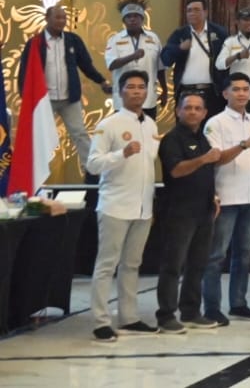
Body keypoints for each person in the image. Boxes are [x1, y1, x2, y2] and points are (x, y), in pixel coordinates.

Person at [86, 70, 161, 343]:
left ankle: (129, 317)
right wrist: (122, 154)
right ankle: (100, 321)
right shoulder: (109, 124)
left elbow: (148, 166)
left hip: (142, 207)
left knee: (132, 264)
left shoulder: (151, 125)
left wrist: (149, 203)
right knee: (107, 265)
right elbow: (93, 164)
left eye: (142, 87)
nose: (137, 91)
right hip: (115, 205)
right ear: (121, 91)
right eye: (131, 87)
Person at [152, 90, 220, 334]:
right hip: (179, 211)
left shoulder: (202, 138)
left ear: (204, 113)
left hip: (204, 209)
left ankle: (190, 311)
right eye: (188, 107)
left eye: (197, 108)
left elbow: (207, 172)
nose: (192, 112)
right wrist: (203, 159)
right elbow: (176, 171)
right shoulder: (172, 139)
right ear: (178, 111)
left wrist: (213, 197)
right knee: (173, 264)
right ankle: (166, 315)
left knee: (198, 264)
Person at [202, 73, 250, 325]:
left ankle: (238, 303)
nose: (242, 94)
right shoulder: (215, 123)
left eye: (246, 89)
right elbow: (215, 159)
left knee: (245, 254)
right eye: (236, 89)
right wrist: (243, 145)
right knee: (217, 255)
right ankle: (212, 307)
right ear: (225, 93)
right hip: (226, 195)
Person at [21, 4, 113, 172]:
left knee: (80, 134)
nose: (61, 21)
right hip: (44, 100)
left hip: (70, 98)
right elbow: (24, 73)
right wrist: (26, 98)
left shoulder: (73, 40)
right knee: (39, 138)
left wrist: (101, 81)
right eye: (57, 17)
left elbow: (86, 65)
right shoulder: (35, 43)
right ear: (47, 18)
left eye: (64, 18)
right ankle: (35, 172)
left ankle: (92, 171)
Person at [162, 0, 229, 116]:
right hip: (185, 91)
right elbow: (165, 60)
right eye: (189, 10)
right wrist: (179, 48)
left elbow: (227, 63)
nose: (192, 13)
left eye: (197, 10)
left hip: (213, 93)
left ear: (206, 12)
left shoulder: (220, 32)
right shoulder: (180, 34)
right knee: (186, 126)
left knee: (212, 126)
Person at [105, 0, 167, 113]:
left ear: (142, 19)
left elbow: (160, 68)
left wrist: (165, 91)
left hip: (148, 99)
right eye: (128, 17)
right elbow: (112, 64)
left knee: (148, 124)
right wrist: (132, 56)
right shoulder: (115, 40)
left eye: (136, 16)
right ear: (124, 20)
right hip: (123, 101)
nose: (132, 19)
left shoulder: (153, 38)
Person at [219, 7, 250, 120]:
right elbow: (220, 64)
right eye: (246, 20)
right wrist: (237, 56)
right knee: (234, 126)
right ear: (237, 22)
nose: (249, 23)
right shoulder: (231, 41)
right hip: (237, 95)